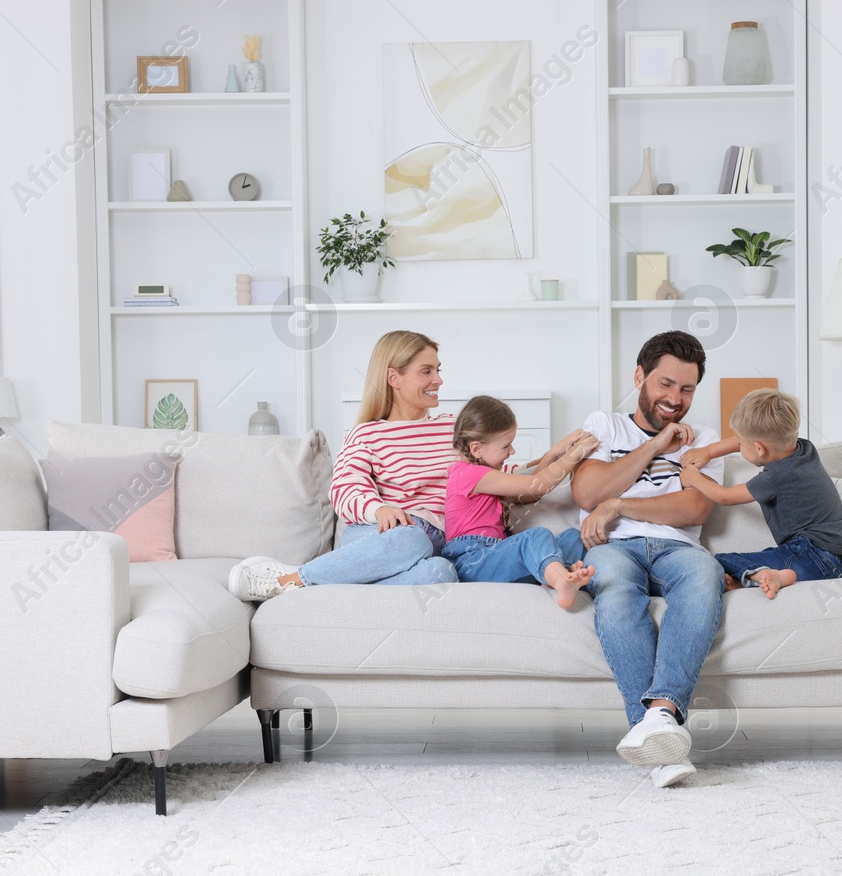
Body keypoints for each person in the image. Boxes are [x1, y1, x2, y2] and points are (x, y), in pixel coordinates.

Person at [572, 331, 726, 789]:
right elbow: (586, 492)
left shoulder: (707, 439)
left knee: (706, 574)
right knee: (616, 589)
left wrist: (619, 505)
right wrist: (656, 446)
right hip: (613, 548)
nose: (674, 399)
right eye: (665, 384)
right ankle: (662, 743)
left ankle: (658, 717)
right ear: (639, 376)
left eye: (686, 389)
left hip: (679, 549)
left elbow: (695, 508)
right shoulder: (605, 425)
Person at [230, 330, 458, 600]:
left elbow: (486, 471)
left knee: (442, 573)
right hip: (380, 536)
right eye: (427, 371)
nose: (438, 380)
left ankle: (322, 583)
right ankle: (293, 579)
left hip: (435, 543)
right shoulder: (366, 434)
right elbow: (345, 489)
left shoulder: (454, 429)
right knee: (412, 538)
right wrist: (380, 509)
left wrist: (521, 473)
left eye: (438, 370)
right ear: (393, 378)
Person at [680, 388, 842, 599]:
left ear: (759, 449)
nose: (738, 444)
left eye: (741, 442)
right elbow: (745, 440)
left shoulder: (776, 476)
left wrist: (692, 477)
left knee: (720, 559)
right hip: (838, 561)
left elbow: (724, 497)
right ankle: (747, 580)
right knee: (736, 563)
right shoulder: (804, 449)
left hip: (810, 556)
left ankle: (776, 577)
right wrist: (708, 452)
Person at [442, 396, 599, 609]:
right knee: (536, 536)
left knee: (572, 538)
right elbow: (536, 485)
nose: (512, 451)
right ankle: (562, 579)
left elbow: (527, 494)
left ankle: (557, 574)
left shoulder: (488, 474)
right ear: (476, 448)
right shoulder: (467, 474)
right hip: (472, 561)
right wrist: (575, 454)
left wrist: (555, 452)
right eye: (506, 445)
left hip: (495, 554)